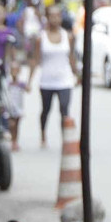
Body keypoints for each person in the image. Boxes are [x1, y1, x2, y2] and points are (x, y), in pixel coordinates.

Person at [29, 9, 80, 147]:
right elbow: (35, 59)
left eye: (57, 16)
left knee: (64, 108)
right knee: (46, 110)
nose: (55, 19)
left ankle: (66, 138)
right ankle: (43, 134)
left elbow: (71, 57)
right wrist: (29, 80)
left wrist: (77, 74)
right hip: (47, 80)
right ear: (47, 18)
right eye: (52, 16)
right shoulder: (42, 38)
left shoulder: (68, 36)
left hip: (64, 79)